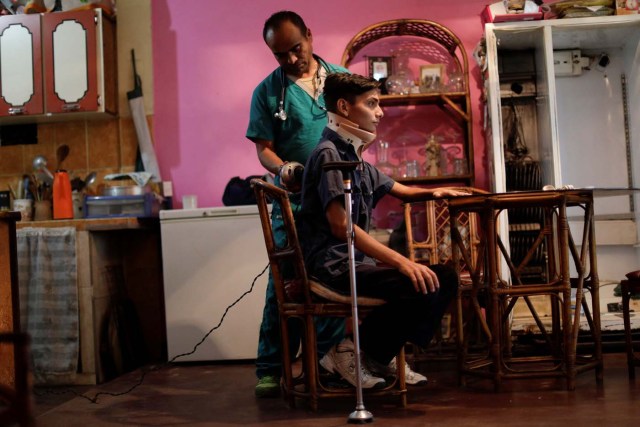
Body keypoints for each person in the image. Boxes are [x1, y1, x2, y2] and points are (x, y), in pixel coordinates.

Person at [297, 72, 468, 388]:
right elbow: (340, 226)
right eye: (372, 104)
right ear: (345, 108)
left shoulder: (356, 158)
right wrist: (402, 262)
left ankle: (374, 355)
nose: (380, 113)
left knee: (445, 278)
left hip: (353, 265)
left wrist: (440, 191)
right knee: (424, 281)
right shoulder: (329, 155)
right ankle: (348, 351)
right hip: (330, 268)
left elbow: (402, 190)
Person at [245, 11, 349, 398]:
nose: (290, 59)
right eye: (280, 54)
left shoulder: (340, 79)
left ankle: (324, 363)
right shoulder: (267, 92)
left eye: (296, 48)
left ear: (309, 35)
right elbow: (264, 150)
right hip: (291, 203)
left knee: (334, 276)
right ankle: (273, 368)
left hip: (335, 198)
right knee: (284, 285)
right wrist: (284, 167)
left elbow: (364, 126)